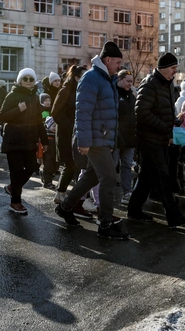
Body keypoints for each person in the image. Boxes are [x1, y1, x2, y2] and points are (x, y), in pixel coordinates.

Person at [54, 42, 129, 239]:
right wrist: (84, 141)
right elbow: (83, 112)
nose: (120, 66)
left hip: (103, 138)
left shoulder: (107, 78)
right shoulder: (91, 78)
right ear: (108, 60)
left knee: (92, 177)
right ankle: (105, 224)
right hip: (95, 139)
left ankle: (65, 207)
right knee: (109, 178)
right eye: (118, 62)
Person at [128, 52, 185, 228]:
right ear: (163, 69)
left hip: (161, 138)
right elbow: (141, 111)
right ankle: (173, 215)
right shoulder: (150, 84)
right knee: (162, 176)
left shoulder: (167, 85)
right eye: (173, 68)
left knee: (147, 177)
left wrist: (170, 132)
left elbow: (168, 112)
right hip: (149, 139)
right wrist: (163, 127)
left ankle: (134, 210)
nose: (175, 72)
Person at [0, 68, 48, 214]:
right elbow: (2, 116)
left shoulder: (34, 97)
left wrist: (45, 141)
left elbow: (39, 121)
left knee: (32, 166)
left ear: (34, 82)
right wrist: (17, 110)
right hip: (14, 140)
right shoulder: (12, 95)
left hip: (30, 140)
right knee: (16, 171)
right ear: (20, 80)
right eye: (25, 79)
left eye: (30, 79)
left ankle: (12, 188)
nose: (27, 81)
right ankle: (15, 202)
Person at [50, 65, 87, 205]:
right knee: (70, 163)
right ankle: (61, 192)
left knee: (75, 164)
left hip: (76, 131)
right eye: (83, 76)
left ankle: (65, 192)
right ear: (76, 78)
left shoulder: (81, 90)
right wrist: (71, 125)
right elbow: (55, 112)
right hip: (66, 133)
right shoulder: (66, 91)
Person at [116, 69, 137, 204]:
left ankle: (127, 192)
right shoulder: (114, 94)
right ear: (120, 80)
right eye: (128, 81)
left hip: (130, 138)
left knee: (126, 165)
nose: (130, 84)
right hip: (116, 138)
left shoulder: (132, 96)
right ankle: (104, 196)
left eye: (131, 81)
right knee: (111, 167)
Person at [39, 93, 58, 190]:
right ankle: (47, 182)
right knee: (48, 164)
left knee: (55, 164)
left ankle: (47, 175)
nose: (48, 102)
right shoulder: (41, 111)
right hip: (48, 141)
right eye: (45, 101)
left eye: (49, 101)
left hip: (55, 143)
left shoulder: (52, 110)